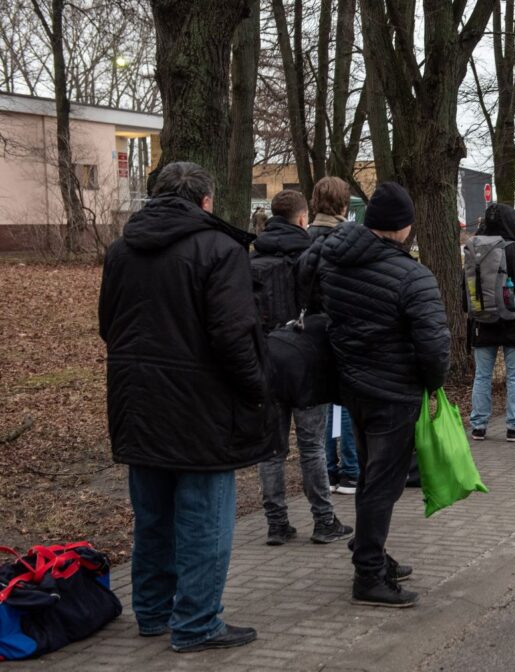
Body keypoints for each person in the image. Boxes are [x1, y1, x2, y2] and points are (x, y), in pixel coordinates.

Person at [99, 162, 270, 652]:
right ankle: (196, 622)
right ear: (206, 202)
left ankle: (153, 612)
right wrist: (256, 389)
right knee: (204, 519)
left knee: (152, 515)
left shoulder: (120, 251)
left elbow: (110, 325)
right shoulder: (220, 250)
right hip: (202, 407)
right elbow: (235, 336)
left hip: (137, 400)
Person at [307, 182, 450, 608]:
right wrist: (434, 386)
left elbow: (311, 299)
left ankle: (371, 551)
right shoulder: (413, 276)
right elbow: (434, 344)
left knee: (371, 477)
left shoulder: (332, 261)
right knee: (381, 485)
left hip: (352, 386)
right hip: (394, 392)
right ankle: (368, 574)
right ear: (403, 228)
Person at [254, 190, 352, 547]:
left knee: (272, 448)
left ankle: (276, 522)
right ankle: (323, 520)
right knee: (312, 446)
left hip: (265, 360)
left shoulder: (253, 260)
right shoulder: (311, 257)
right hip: (309, 359)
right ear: (301, 219)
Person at [466, 203, 515, 442]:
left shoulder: (475, 248)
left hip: (482, 320)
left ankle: (478, 425)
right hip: (514, 319)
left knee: (482, 375)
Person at [307, 177, 359, 495]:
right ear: (344, 204)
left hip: (312, 331)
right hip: (345, 329)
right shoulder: (350, 240)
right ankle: (351, 469)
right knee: (349, 401)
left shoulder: (303, 238)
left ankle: (326, 468)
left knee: (323, 402)